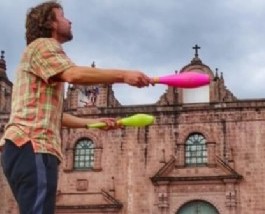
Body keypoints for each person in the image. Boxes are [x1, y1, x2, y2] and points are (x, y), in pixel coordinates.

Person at [0, 1, 152, 214]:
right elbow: (75, 75)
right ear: (49, 23)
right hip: (33, 145)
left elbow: (56, 116)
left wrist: (94, 124)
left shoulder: (38, 58)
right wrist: (124, 75)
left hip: (22, 148)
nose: (69, 20)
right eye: (62, 16)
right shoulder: (44, 45)